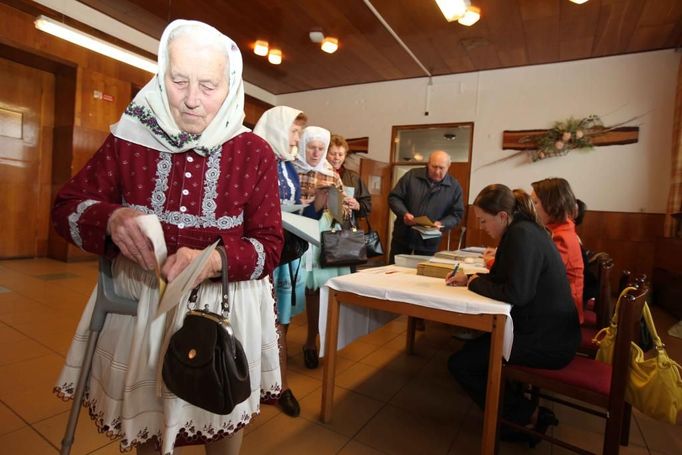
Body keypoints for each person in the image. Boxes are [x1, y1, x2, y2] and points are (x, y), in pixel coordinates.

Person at [51, 20, 283, 455]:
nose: (192, 100)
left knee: (221, 416)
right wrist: (112, 217)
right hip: (145, 305)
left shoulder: (254, 151)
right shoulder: (129, 136)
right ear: (162, 74)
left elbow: (270, 244)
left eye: (209, 86)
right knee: (153, 429)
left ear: (231, 85)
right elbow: (67, 207)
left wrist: (213, 261)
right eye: (179, 81)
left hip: (225, 310)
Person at [446, 185, 580, 446]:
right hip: (546, 329)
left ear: (503, 216)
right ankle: (517, 412)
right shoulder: (521, 230)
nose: (483, 227)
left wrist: (473, 283)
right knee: (470, 353)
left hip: (549, 340)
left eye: (484, 221)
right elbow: (501, 278)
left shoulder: (522, 235)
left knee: (461, 363)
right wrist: (470, 278)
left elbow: (517, 293)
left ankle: (527, 415)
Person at [253, 105, 307, 417]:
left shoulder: (286, 164)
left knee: (278, 320)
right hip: (260, 253)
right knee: (260, 319)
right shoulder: (256, 157)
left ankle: (278, 384)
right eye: (294, 131)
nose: (296, 138)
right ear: (277, 128)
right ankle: (254, 383)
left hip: (283, 250)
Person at [293, 126, 351, 368]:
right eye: (311, 147)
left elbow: (341, 213)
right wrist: (306, 202)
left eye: (320, 148)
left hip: (321, 238)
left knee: (315, 291)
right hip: (295, 235)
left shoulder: (332, 174)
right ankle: (277, 340)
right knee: (288, 290)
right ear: (303, 145)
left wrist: (345, 205)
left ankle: (311, 340)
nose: (316, 153)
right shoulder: (291, 169)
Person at [388, 150, 464, 263]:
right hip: (403, 236)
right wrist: (404, 213)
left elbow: (457, 214)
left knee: (422, 274)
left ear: (448, 166)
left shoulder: (454, 187)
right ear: (428, 164)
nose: (437, 171)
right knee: (393, 272)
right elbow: (394, 197)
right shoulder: (412, 175)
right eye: (434, 167)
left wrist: (442, 223)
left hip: (429, 241)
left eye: (441, 168)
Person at [531, 178, 585, 324]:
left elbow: (541, 276)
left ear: (551, 205)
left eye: (535, 203)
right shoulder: (561, 229)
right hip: (558, 305)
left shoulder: (561, 237)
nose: (532, 208)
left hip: (562, 316)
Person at [327, 134, 372, 222]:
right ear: (326, 153)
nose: (337, 158)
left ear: (345, 156)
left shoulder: (354, 178)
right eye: (333, 154)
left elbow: (367, 204)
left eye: (340, 154)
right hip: (322, 227)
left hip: (346, 230)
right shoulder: (319, 174)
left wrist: (357, 205)